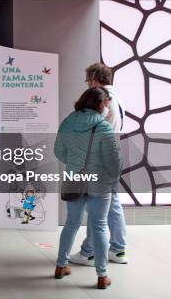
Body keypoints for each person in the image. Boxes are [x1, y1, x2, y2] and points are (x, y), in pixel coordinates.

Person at [54, 87, 123, 290]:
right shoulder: (104, 129)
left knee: (71, 224)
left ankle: (61, 266)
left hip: (74, 179)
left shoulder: (68, 122)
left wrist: (75, 164)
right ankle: (102, 276)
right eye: (106, 103)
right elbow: (114, 164)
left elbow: (58, 150)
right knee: (99, 225)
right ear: (100, 105)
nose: (108, 107)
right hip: (100, 183)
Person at [70, 63, 128, 266]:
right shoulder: (118, 97)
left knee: (98, 207)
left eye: (87, 80)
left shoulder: (101, 97)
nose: (87, 84)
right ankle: (118, 249)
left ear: (94, 78)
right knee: (112, 204)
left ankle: (89, 252)